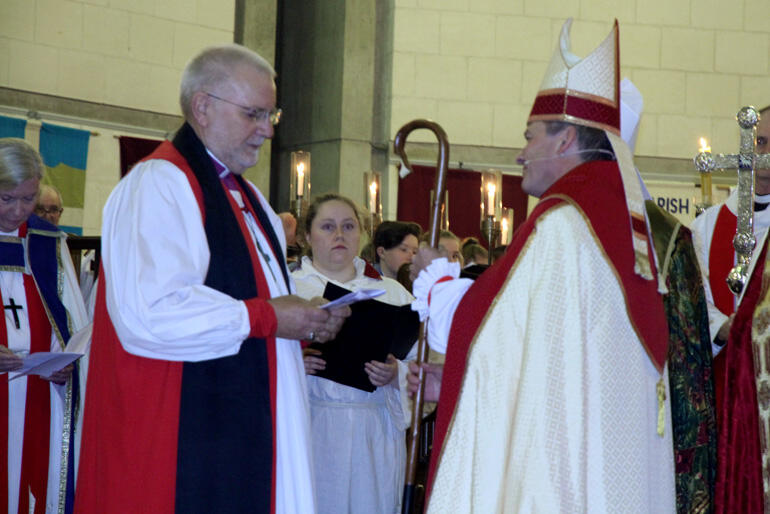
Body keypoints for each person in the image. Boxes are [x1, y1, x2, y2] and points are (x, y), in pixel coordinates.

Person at [408, 19, 676, 512]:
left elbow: (493, 333)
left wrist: (438, 282)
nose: (520, 152)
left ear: (565, 139)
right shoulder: (620, 216)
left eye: (529, 136)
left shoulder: (565, 223)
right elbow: (547, 360)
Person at [74, 44, 350, 514]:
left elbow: (259, 310)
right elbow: (151, 315)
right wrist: (268, 317)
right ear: (202, 107)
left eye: (271, 114)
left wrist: (308, 323)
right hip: (181, 439)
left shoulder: (247, 195)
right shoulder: (161, 183)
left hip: (252, 423)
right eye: (253, 114)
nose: (266, 131)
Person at [292, 193, 415, 514]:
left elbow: (420, 362)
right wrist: (293, 364)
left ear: (360, 234)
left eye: (348, 226)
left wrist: (396, 374)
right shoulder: (289, 291)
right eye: (328, 226)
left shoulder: (393, 293)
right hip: (312, 426)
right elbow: (257, 357)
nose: (339, 235)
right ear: (307, 236)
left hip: (373, 431)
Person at [0, 138, 89, 514]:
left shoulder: (48, 242)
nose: (19, 210)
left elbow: (75, 324)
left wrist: (68, 364)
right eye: (7, 198)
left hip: (38, 399)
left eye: (28, 198)